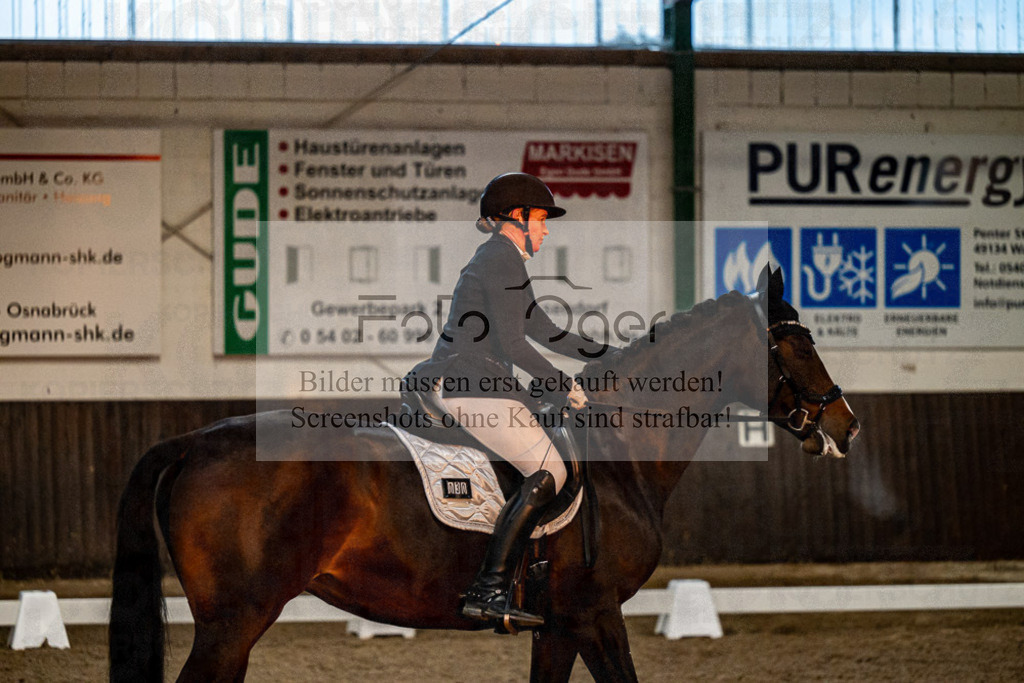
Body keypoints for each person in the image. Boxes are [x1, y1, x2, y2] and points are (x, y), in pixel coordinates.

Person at [411, 172, 593, 631]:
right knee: (550, 470)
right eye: (542, 220)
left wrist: (617, 354)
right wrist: (559, 385)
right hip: (467, 383)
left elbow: (545, 331)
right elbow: (514, 344)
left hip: (478, 382)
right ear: (518, 217)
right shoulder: (500, 258)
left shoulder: (503, 258)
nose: (547, 230)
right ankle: (488, 590)